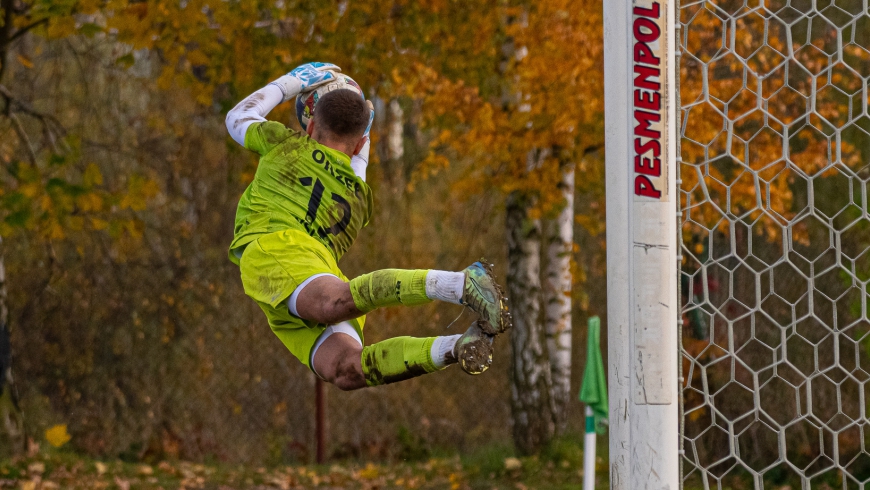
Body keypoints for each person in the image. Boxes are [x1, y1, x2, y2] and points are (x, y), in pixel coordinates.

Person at [224, 62, 510, 391]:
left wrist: (293, 81)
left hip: (276, 251)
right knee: (348, 371)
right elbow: (357, 163)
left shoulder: (284, 145)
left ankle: (461, 284)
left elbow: (237, 118)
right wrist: (365, 128)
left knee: (332, 304)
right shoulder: (358, 199)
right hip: (308, 271)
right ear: (361, 144)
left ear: (309, 126)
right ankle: (457, 346)